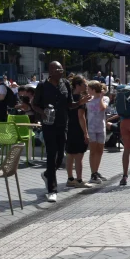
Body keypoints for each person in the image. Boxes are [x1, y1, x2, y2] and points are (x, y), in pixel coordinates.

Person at [32, 61, 88, 202]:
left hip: (63, 124)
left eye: (61, 69)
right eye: (57, 69)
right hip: (49, 125)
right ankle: (52, 189)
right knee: (51, 155)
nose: (60, 71)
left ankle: (47, 174)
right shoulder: (42, 86)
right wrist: (42, 113)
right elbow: (34, 104)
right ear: (50, 71)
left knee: (60, 155)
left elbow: (70, 104)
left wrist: (80, 103)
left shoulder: (66, 84)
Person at [65, 76, 89, 188]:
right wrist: (85, 132)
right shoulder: (81, 99)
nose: (86, 86)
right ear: (78, 85)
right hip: (78, 128)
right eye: (84, 84)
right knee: (79, 155)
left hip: (69, 127)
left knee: (70, 154)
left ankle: (70, 178)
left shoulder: (68, 97)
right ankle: (79, 180)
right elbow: (81, 116)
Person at [85, 81, 109, 184]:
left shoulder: (105, 98)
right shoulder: (87, 100)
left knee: (100, 150)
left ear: (93, 90)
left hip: (101, 127)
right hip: (91, 128)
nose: (87, 91)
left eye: (89, 89)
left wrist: (100, 97)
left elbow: (102, 108)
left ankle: (96, 171)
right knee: (93, 151)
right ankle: (93, 174)